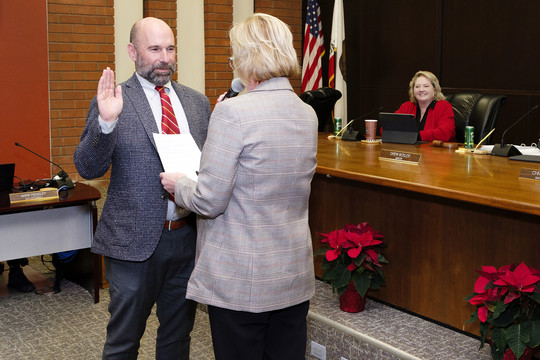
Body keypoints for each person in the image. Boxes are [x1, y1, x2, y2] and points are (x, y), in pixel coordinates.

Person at [160, 13, 318, 360]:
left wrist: (179, 184)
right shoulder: (306, 112)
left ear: (247, 56)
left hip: (242, 279)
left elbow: (209, 200)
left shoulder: (233, 114)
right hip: (292, 273)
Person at [73, 17, 211, 360]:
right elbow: (88, 167)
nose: (164, 58)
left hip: (187, 239)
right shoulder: (114, 100)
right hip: (132, 245)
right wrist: (106, 123)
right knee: (124, 341)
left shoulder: (197, 103)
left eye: (170, 48)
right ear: (133, 52)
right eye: (154, 49)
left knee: (178, 338)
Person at [395, 70, 456, 142]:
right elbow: (386, 128)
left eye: (426, 86)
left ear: (435, 89)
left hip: (437, 151)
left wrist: (414, 136)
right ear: (413, 90)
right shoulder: (406, 106)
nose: (421, 90)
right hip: (410, 150)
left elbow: (444, 133)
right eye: (417, 86)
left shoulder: (444, 106)